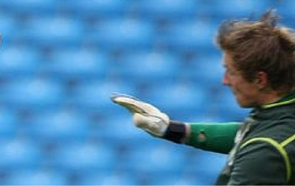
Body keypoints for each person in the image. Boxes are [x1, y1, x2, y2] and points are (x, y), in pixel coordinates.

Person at [112, 10, 295, 185]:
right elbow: (248, 134)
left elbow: (259, 145)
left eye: (230, 72)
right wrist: (170, 129)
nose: (225, 81)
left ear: (259, 79)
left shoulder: (265, 152)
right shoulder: (281, 118)